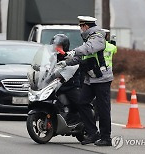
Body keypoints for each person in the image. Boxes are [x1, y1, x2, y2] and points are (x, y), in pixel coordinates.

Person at [58, 16, 114, 146]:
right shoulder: (89, 38)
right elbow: (82, 57)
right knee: (82, 102)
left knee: (103, 108)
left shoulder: (98, 36)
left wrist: (73, 51)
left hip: (102, 78)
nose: (80, 29)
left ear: (86, 26)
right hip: (91, 78)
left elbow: (89, 49)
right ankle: (93, 133)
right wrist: (65, 62)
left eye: (81, 27)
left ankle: (106, 138)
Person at [51, 34, 81, 123]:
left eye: (59, 46)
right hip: (56, 85)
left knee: (79, 103)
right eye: (55, 45)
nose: (56, 48)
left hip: (70, 85)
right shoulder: (52, 57)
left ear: (64, 46)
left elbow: (69, 70)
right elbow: (46, 68)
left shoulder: (70, 57)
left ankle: (78, 119)